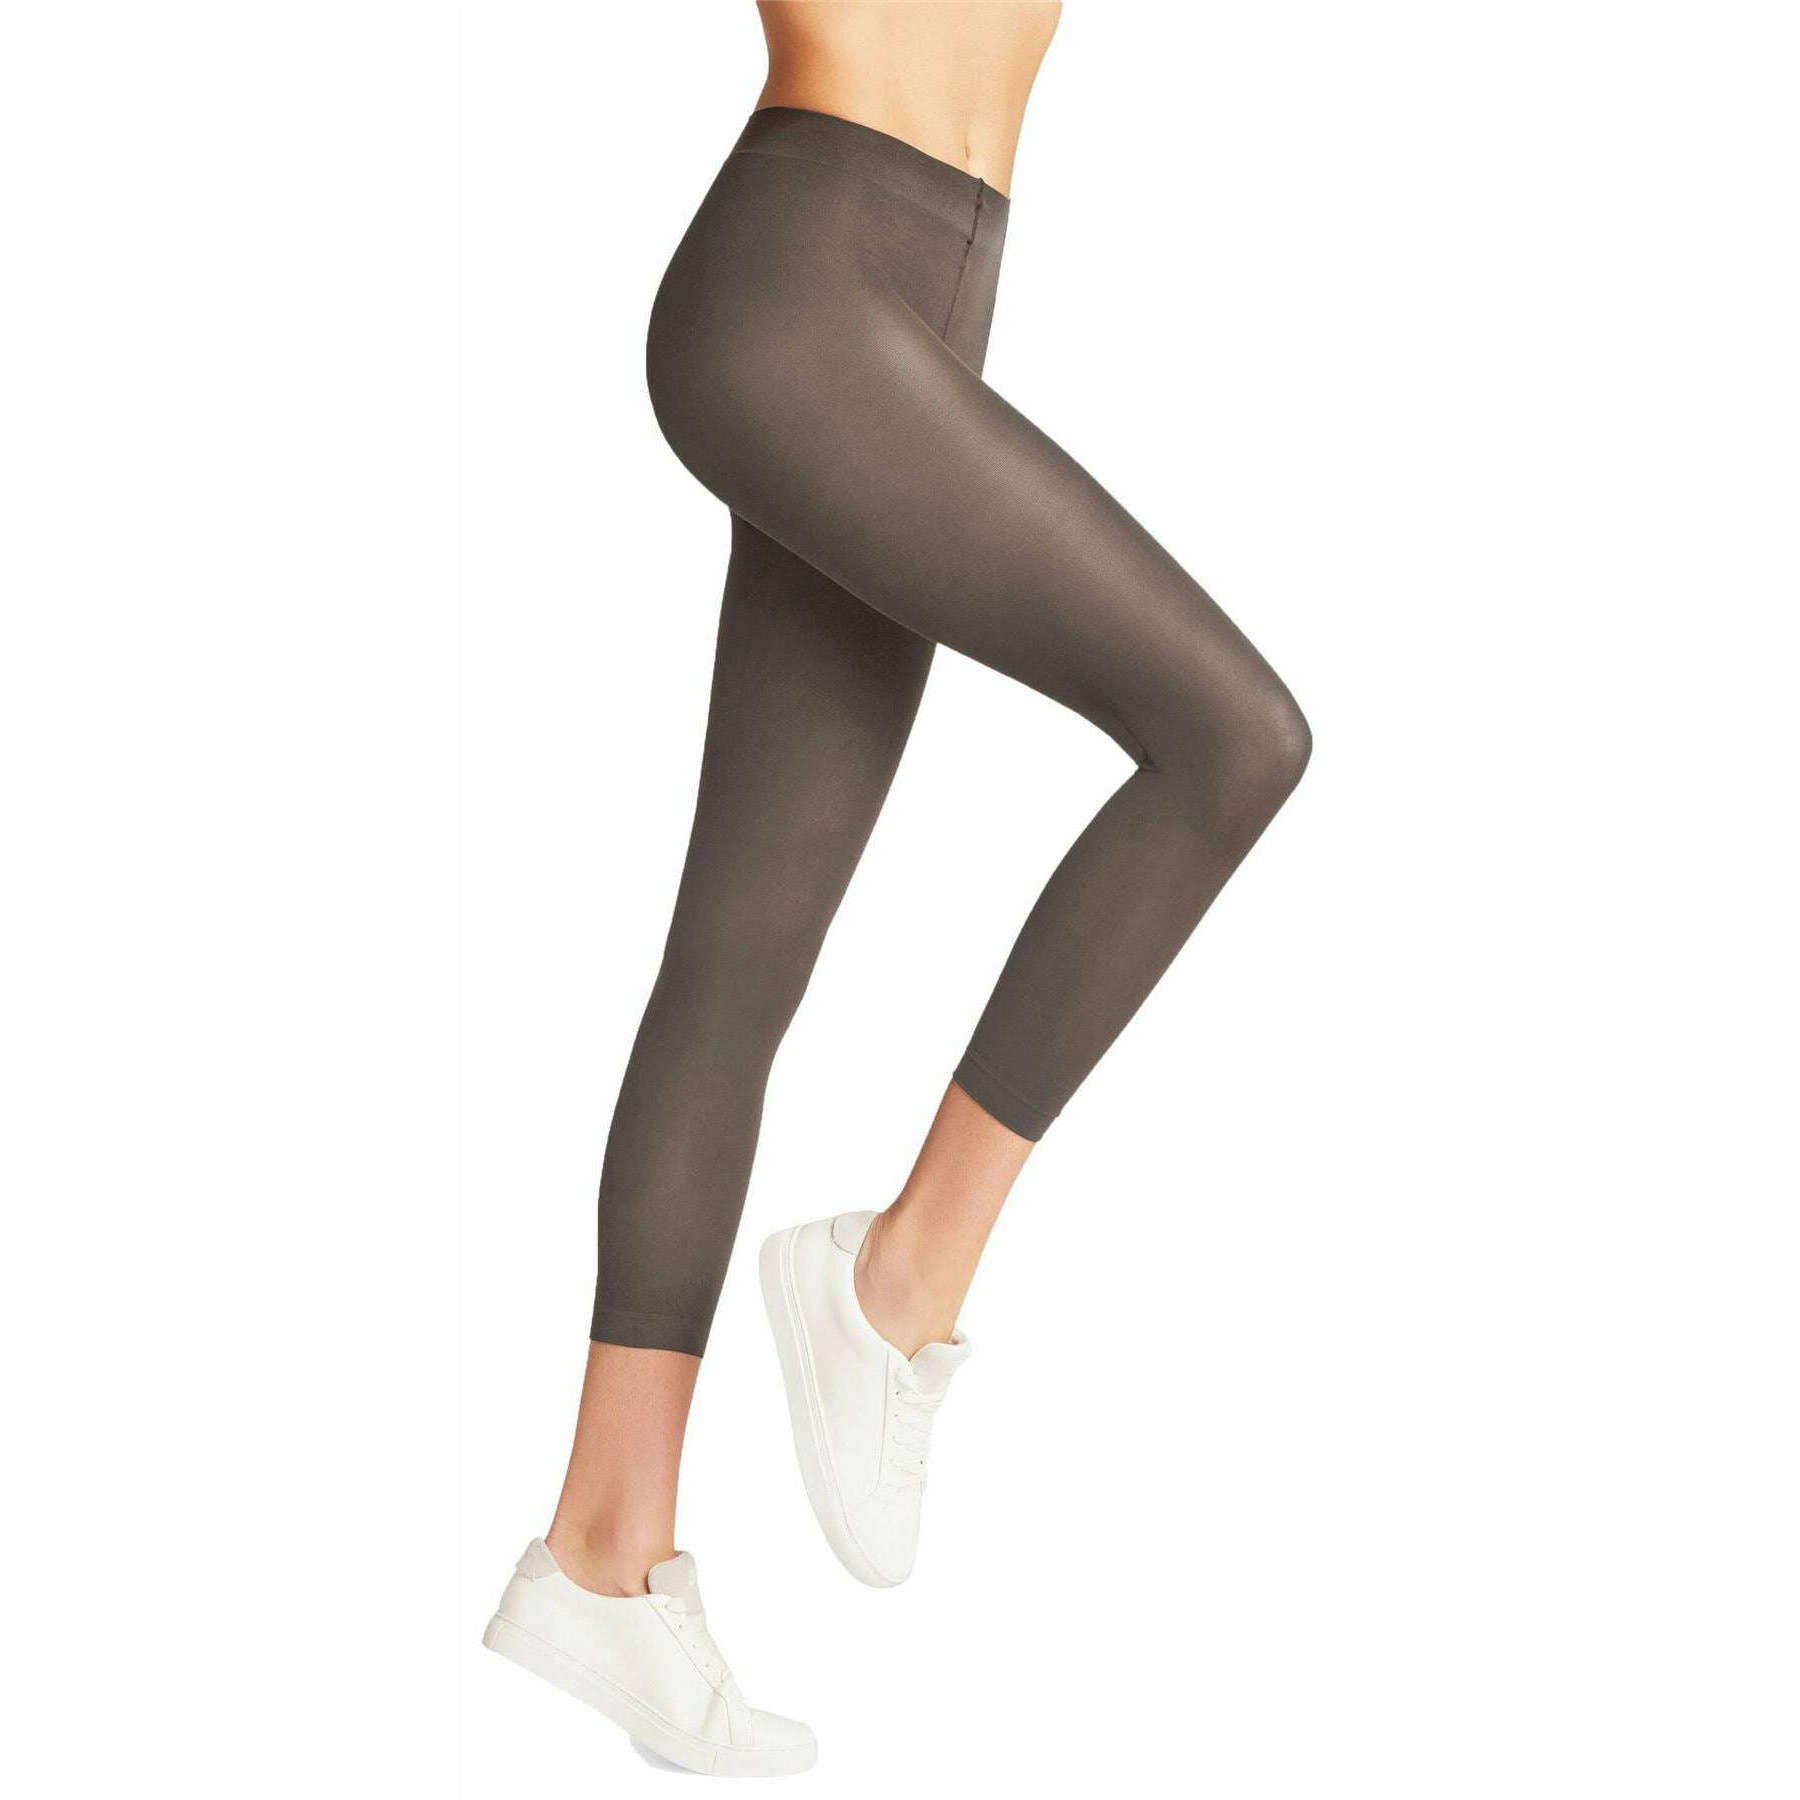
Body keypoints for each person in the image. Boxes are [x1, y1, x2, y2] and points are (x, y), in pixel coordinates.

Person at [483, 2, 1309, 1774]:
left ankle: (603, 1552)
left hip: (916, 300)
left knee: (738, 962)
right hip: (805, 291)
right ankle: (897, 1280)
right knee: (1230, 740)